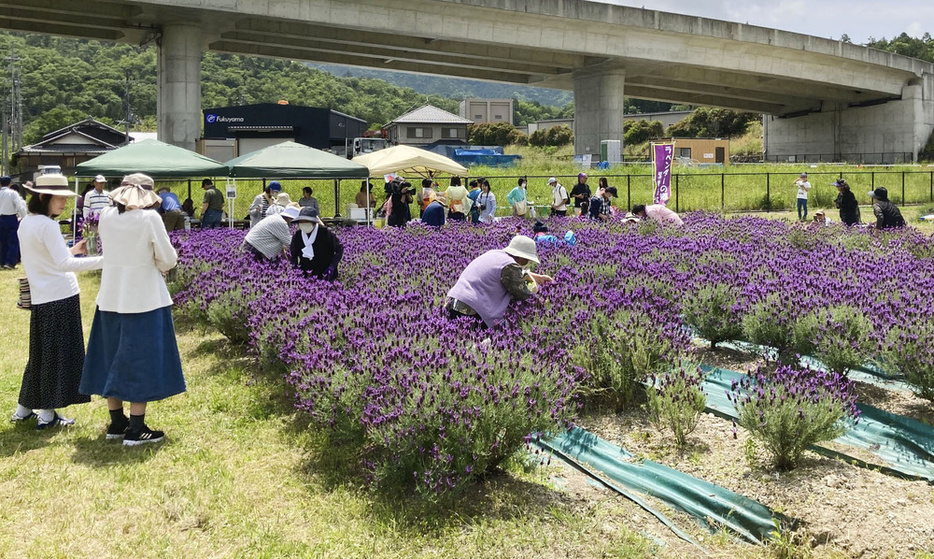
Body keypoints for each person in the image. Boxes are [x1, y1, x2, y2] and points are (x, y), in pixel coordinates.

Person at [80, 173, 185, 446]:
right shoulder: (150, 219)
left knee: (109, 356)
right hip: (144, 299)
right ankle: (136, 429)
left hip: (111, 297)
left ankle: (117, 422)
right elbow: (168, 259)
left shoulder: (106, 215)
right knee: (142, 360)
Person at [12, 174, 103, 429]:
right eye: (59, 198)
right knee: (58, 356)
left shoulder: (27, 223)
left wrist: (73, 250)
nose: (64, 202)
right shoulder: (48, 226)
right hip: (60, 297)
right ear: (43, 197)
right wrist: (108, 260)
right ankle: (47, 414)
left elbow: (47, 258)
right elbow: (64, 265)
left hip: (43, 299)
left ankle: (24, 409)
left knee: (41, 356)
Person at [445, 235, 553, 329]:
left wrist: (537, 278)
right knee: (502, 329)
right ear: (521, 257)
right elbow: (523, 293)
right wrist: (544, 305)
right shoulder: (510, 266)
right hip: (472, 311)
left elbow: (514, 274)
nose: (528, 262)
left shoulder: (495, 254)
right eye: (527, 259)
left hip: (452, 304)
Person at [289, 207, 344, 281]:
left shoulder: (325, 233)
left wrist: (332, 266)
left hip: (326, 273)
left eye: (306, 221)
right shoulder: (298, 235)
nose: (304, 224)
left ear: (314, 223)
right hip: (305, 274)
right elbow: (293, 254)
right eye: (301, 222)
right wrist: (295, 268)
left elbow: (339, 249)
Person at [0, 175, 27, 269]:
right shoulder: (12, 193)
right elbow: (20, 206)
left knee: (3, 242)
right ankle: (10, 262)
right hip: (11, 218)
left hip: (1, 218)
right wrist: (25, 217)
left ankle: (2, 262)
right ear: (10, 184)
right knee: (13, 241)